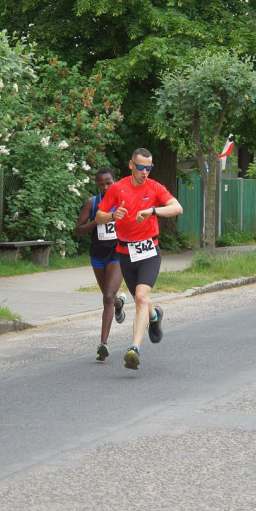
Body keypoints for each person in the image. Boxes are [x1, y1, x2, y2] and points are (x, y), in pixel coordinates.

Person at [94, 149, 183, 370]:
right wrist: (113, 216)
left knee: (141, 297)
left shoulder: (154, 187)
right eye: (141, 167)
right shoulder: (117, 188)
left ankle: (134, 349)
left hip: (149, 251)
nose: (145, 172)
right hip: (125, 253)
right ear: (131, 165)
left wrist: (153, 211)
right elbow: (99, 216)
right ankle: (155, 317)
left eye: (149, 168)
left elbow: (177, 208)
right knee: (141, 300)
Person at [75, 167, 127, 362]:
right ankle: (120, 304)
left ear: (115, 181)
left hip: (118, 253)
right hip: (98, 255)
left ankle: (103, 344)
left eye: (108, 183)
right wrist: (95, 222)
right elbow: (78, 230)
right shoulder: (93, 202)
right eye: (101, 184)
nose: (105, 187)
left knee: (107, 296)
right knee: (109, 296)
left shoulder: (123, 202)